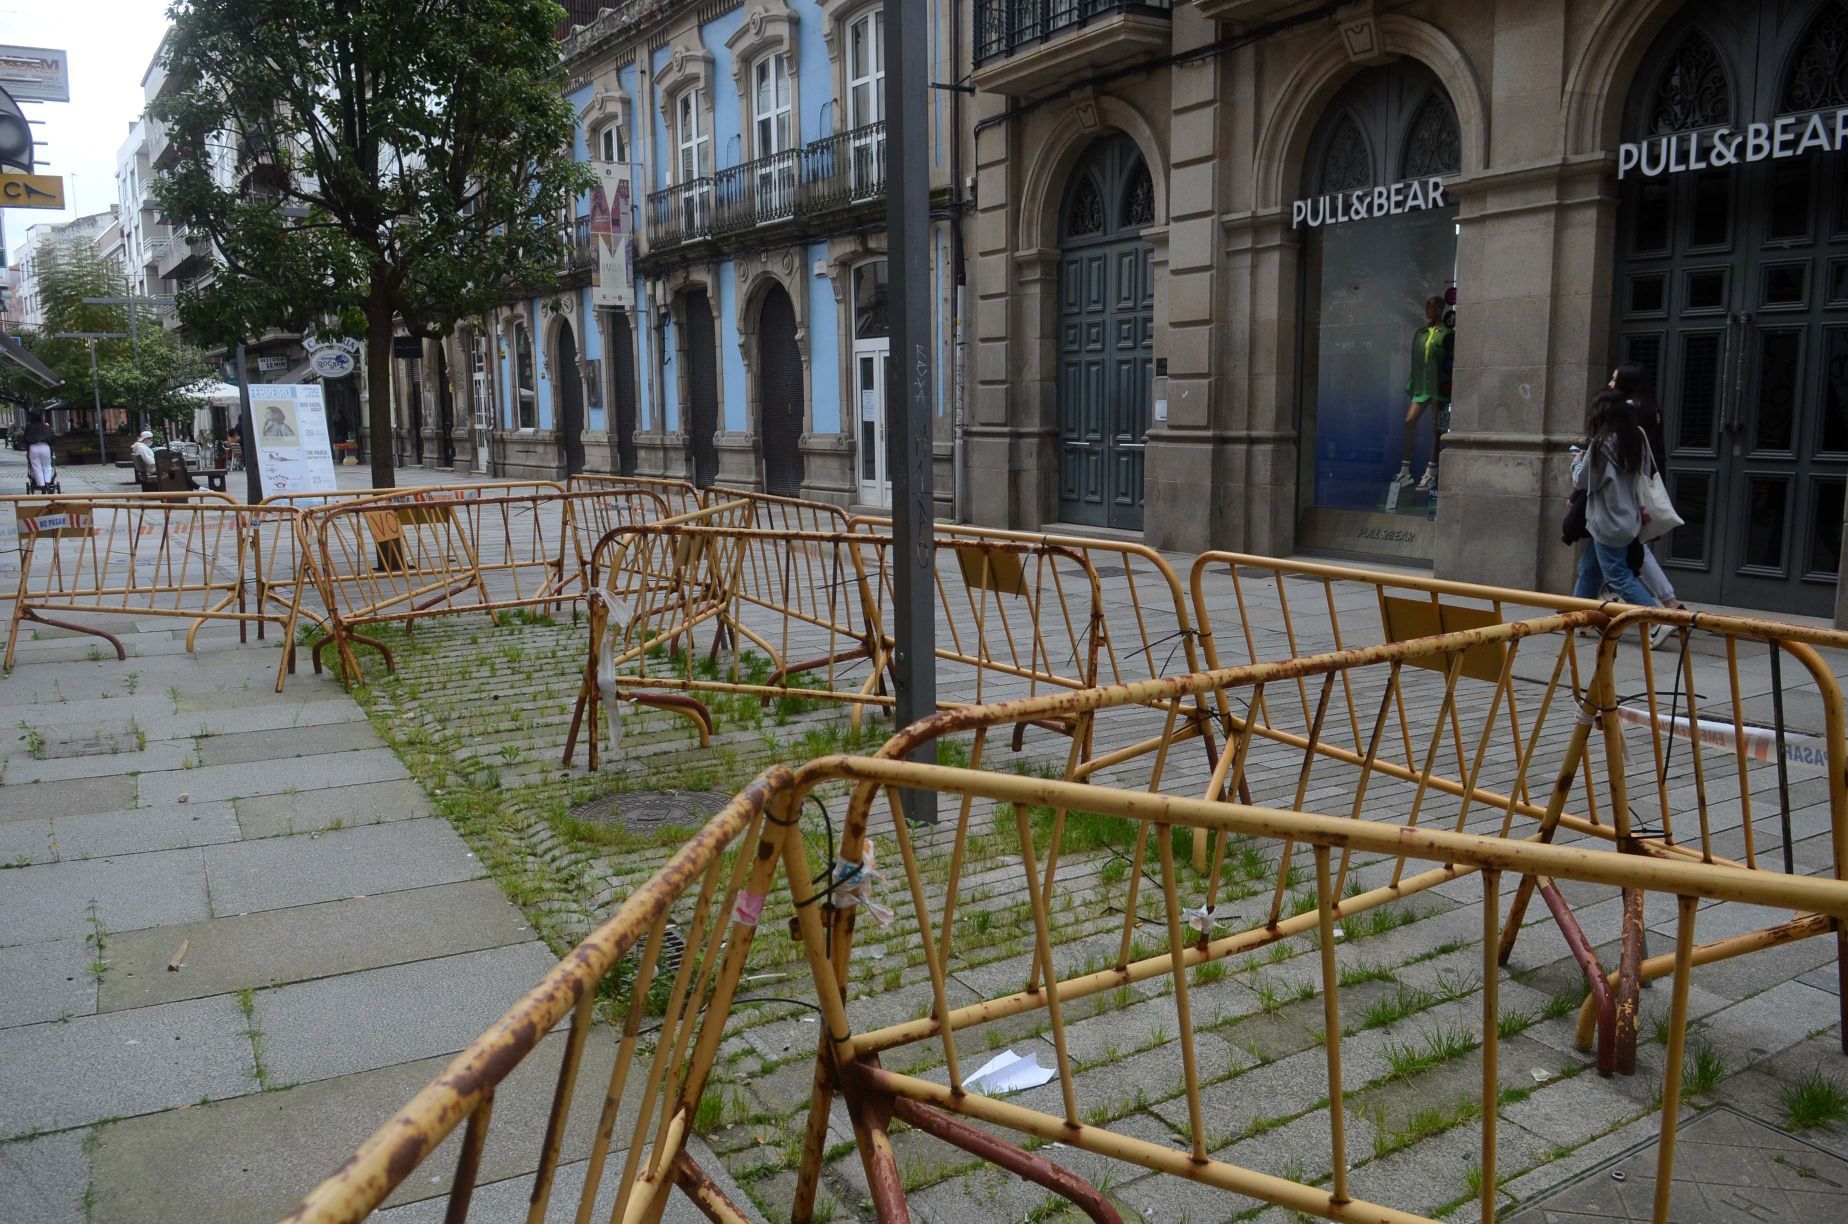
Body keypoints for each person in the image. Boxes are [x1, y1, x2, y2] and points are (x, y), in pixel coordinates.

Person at [1573, 389, 1659, 608]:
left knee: (1619, 577)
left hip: (1607, 521)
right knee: (1589, 568)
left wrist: (1576, 462)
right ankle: (1575, 615)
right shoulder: (1637, 436)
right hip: (1629, 518)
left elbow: (1583, 481)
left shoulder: (1601, 443)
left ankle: (1656, 620)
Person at [1609, 363, 1683, 609]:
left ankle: (1666, 607)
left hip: (1630, 486)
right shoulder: (1650, 408)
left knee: (1635, 549)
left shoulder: (1629, 410)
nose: (1610, 384)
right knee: (1620, 554)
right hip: (1646, 480)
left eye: (1615, 379)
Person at [23, 411, 54, 487]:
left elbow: (25, 438)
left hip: (33, 447)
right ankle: (47, 483)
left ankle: (41, 485)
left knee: (36, 467)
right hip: (44, 446)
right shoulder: (46, 427)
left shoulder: (29, 427)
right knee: (47, 466)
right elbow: (52, 438)